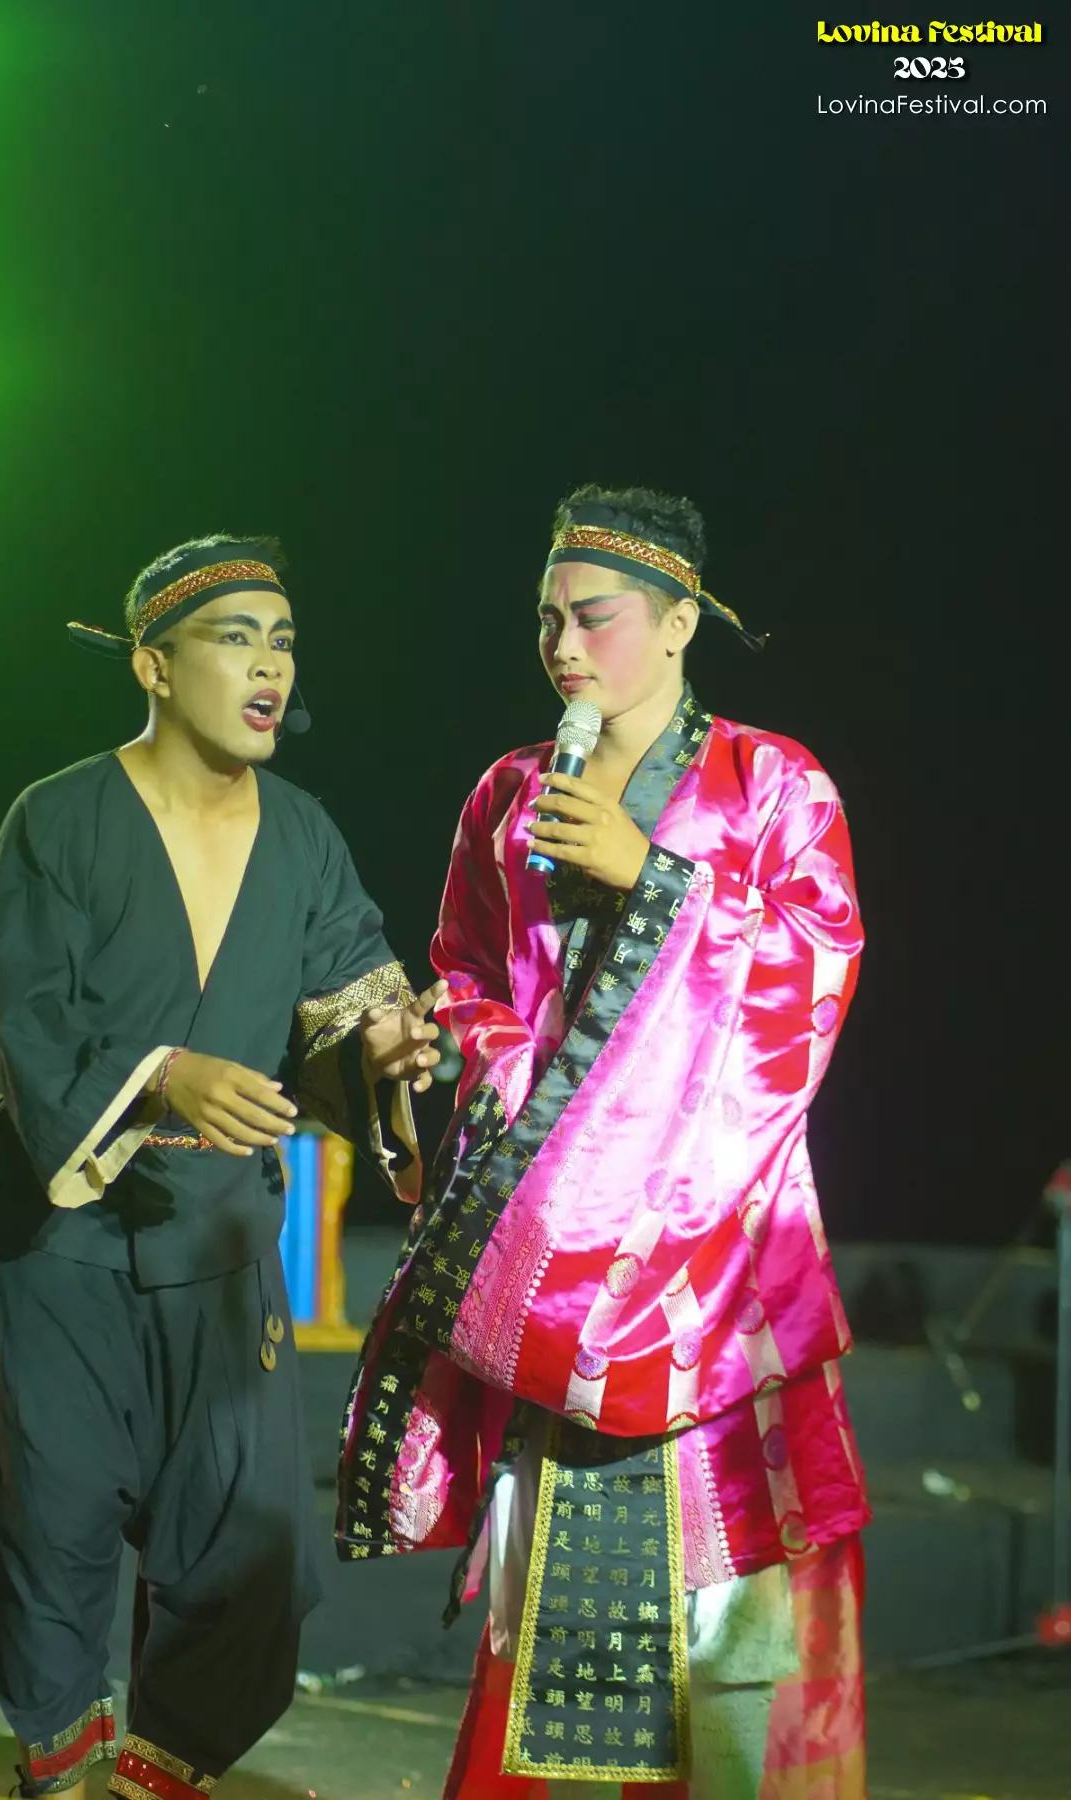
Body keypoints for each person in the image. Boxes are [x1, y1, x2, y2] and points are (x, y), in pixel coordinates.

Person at [337, 488, 869, 1798]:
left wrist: (660, 882)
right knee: (558, 1615)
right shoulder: (508, 793)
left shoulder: (771, 784)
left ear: (680, 621)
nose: (562, 645)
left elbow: (811, 976)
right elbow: (468, 973)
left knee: (725, 1618)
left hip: (713, 1269)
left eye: (594, 616)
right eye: (545, 620)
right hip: (555, 1261)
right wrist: (481, 1058)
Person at [0, 534, 444, 1800]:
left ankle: (156, 1779)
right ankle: (60, 1775)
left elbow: (350, 999)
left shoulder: (302, 835)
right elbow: (30, 1030)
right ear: (153, 664)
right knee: (51, 1537)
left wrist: (384, 1048)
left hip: (220, 1246)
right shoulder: (56, 820)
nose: (268, 666)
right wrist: (161, 1076)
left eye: (283, 641)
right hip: (61, 1251)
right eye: (234, 638)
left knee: (241, 1556)